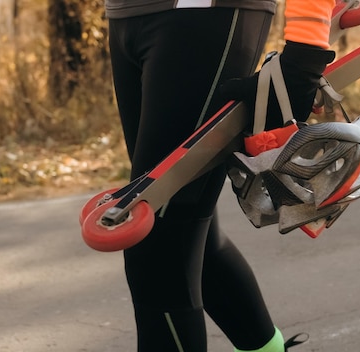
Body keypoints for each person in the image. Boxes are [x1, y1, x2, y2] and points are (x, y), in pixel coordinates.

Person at [105, 0, 335, 350]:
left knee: (157, 248)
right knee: (187, 231)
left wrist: (305, 51)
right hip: (127, 13)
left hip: (205, 13)